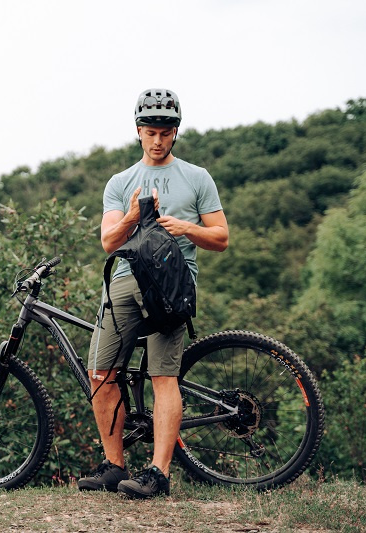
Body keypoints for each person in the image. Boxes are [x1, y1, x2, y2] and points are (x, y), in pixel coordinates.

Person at [77, 88, 229, 499]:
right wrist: (131, 215)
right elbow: (109, 242)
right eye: (150, 132)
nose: (158, 140)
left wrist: (185, 228)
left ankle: (158, 473)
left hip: (172, 284)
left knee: (163, 376)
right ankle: (114, 467)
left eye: (165, 132)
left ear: (175, 132)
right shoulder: (120, 182)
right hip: (125, 280)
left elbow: (221, 238)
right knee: (101, 374)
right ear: (138, 131)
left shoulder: (197, 178)